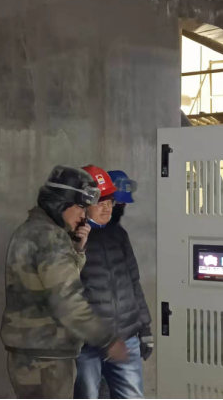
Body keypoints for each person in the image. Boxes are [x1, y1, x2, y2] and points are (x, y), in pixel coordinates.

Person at [1, 166, 128, 400]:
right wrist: (107, 340)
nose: (84, 215)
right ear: (61, 204)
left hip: (28, 352)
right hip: (48, 358)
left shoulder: (29, 230)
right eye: (80, 207)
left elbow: (48, 282)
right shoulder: (52, 238)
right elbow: (67, 300)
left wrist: (76, 251)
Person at [75, 168, 153, 400]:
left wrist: (145, 328)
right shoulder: (71, 240)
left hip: (125, 336)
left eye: (111, 203)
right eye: (101, 203)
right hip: (88, 343)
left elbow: (133, 282)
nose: (108, 209)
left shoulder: (119, 235)